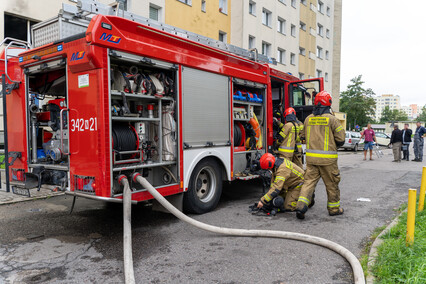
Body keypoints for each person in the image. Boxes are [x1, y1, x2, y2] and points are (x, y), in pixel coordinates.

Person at [295, 91, 346, 219]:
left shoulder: (308, 119)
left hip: (312, 160)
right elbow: (341, 140)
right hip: (328, 161)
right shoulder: (333, 120)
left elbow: (302, 137)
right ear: (328, 103)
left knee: (308, 183)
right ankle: (334, 209)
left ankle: (301, 207)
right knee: (332, 184)